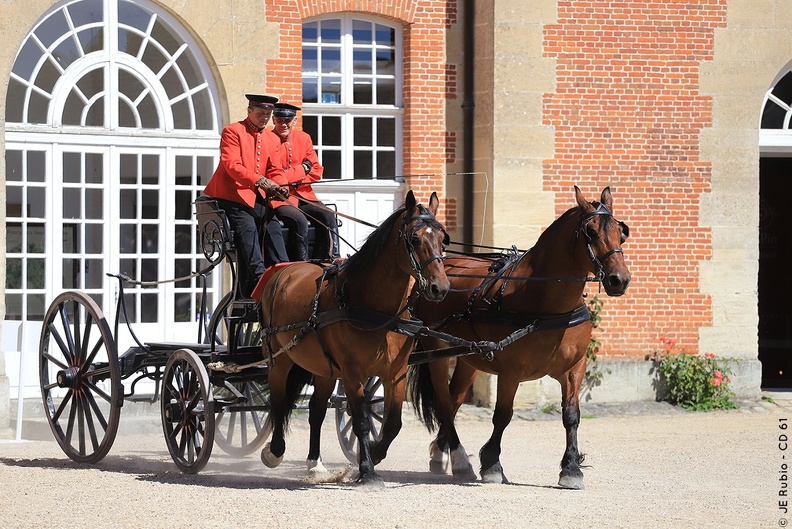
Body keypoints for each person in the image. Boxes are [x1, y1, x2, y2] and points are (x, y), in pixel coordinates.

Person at [203, 93, 289, 298]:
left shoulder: (272, 137)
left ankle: (285, 271)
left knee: (273, 224)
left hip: (254, 195)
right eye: (260, 113)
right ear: (249, 111)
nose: (264, 118)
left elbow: (275, 169)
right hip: (231, 194)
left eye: (268, 115)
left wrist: (280, 185)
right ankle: (260, 278)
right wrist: (259, 180)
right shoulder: (233, 131)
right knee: (247, 228)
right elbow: (232, 165)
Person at [268, 102, 339, 261]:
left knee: (328, 216)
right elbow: (274, 176)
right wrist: (301, 171)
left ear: (294, 121)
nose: (283, 124)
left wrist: (292, 179)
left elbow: (316, 171)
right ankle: (301, 264)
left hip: (304, 194)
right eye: (279, 120)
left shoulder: (303, 138)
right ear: (274, 120)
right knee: (299, 220)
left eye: (288, 120)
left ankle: (331, 259)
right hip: (281, 199)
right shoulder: (267, 139)